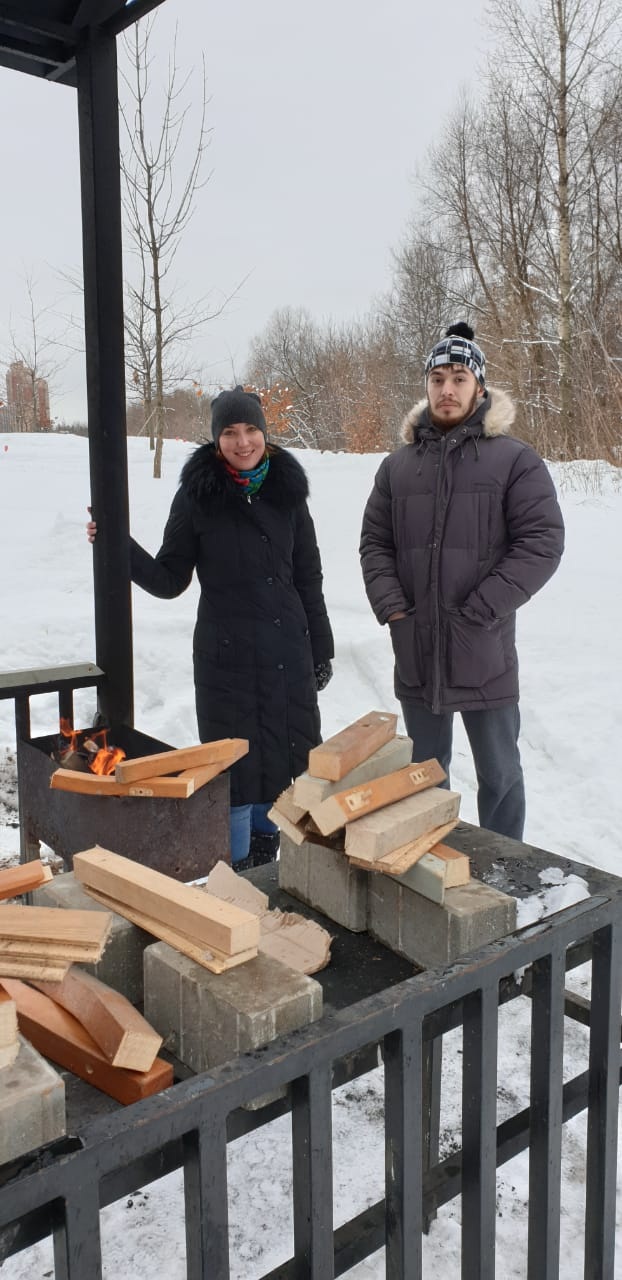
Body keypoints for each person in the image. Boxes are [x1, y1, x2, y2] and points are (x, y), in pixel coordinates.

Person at [87, 386, 334, 871]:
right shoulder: (199, 497)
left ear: (264, 432)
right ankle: (236, 881)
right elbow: (169, 579)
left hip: (288, 658)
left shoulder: (288, 494)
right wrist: (117, 545)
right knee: (233, 777)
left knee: (284, 772)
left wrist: (320, 650)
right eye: (230, 432)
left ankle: (271, 873)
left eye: (251, 430)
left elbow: (308, 577)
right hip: (228, 665)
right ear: (216, 439)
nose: (243, 442)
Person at [359, 323, 564, 841]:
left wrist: (481, 609)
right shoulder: (397, 467)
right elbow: (375, 545)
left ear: (479, 386)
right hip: (418, 646)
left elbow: (541, 542)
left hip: (484, 649)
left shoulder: (514, 460)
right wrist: (395, 611)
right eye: (437, 378)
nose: (447, 389)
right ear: (426, 386)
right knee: (424, 775)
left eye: (459, 377)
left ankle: (508, 868)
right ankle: (430, 861)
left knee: (499, 774)